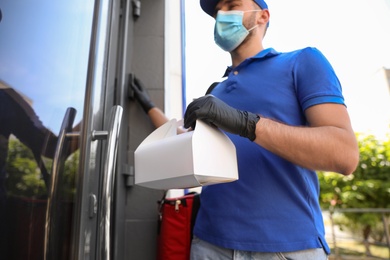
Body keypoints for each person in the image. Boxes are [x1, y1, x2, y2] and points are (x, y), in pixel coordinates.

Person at [180, 0, 360, 259]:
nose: (221, 15)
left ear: (262, 16)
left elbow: (345, 155)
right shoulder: (215, 92)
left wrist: (246, 123)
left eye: (232, 5)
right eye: (217, 11)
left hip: (287, 248)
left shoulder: (302, 61)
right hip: (208, 244)